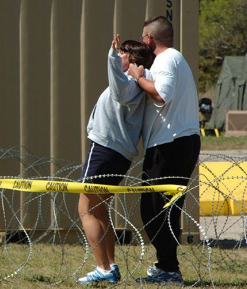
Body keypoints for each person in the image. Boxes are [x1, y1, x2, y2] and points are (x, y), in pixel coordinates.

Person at [128, 16, 201, 286]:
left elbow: (161, 94)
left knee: (155, 209)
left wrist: (137, 78)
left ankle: (170, 271)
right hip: (175, 142)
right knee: (161, 209)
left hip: (171, 144)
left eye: (142, 37)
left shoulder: (168, 59)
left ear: (149, 39)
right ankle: (167, 266)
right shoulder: (171, 59)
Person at [77, 35, 154, 284]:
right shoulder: (135, 83)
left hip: (105, 151)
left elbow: (119, 91)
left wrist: (111, 57)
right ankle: (109, 265)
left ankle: (103, 268)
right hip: (116, 154)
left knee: (86, 209)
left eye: (122, 53)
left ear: (131, 61)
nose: (117, 54)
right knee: (100, 211)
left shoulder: (130, 84)